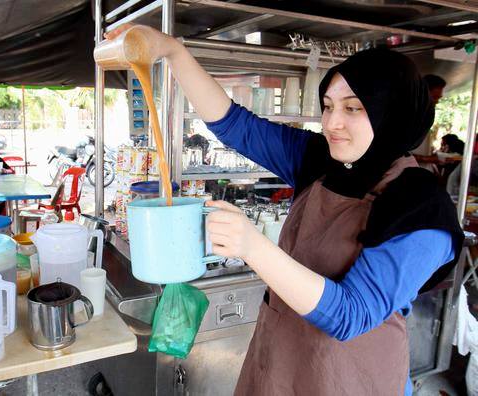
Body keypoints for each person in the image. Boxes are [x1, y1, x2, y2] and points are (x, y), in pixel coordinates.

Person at [105, 25, 464, 395]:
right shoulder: (321, 160)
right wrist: (173, 51)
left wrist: (253, 246)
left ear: (393, 114)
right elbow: (235, 126)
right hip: (281, 359)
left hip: (353, 375)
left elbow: (350, 314)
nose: (332, 123)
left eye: (353, 108)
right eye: (327, 106)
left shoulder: (421, 207)